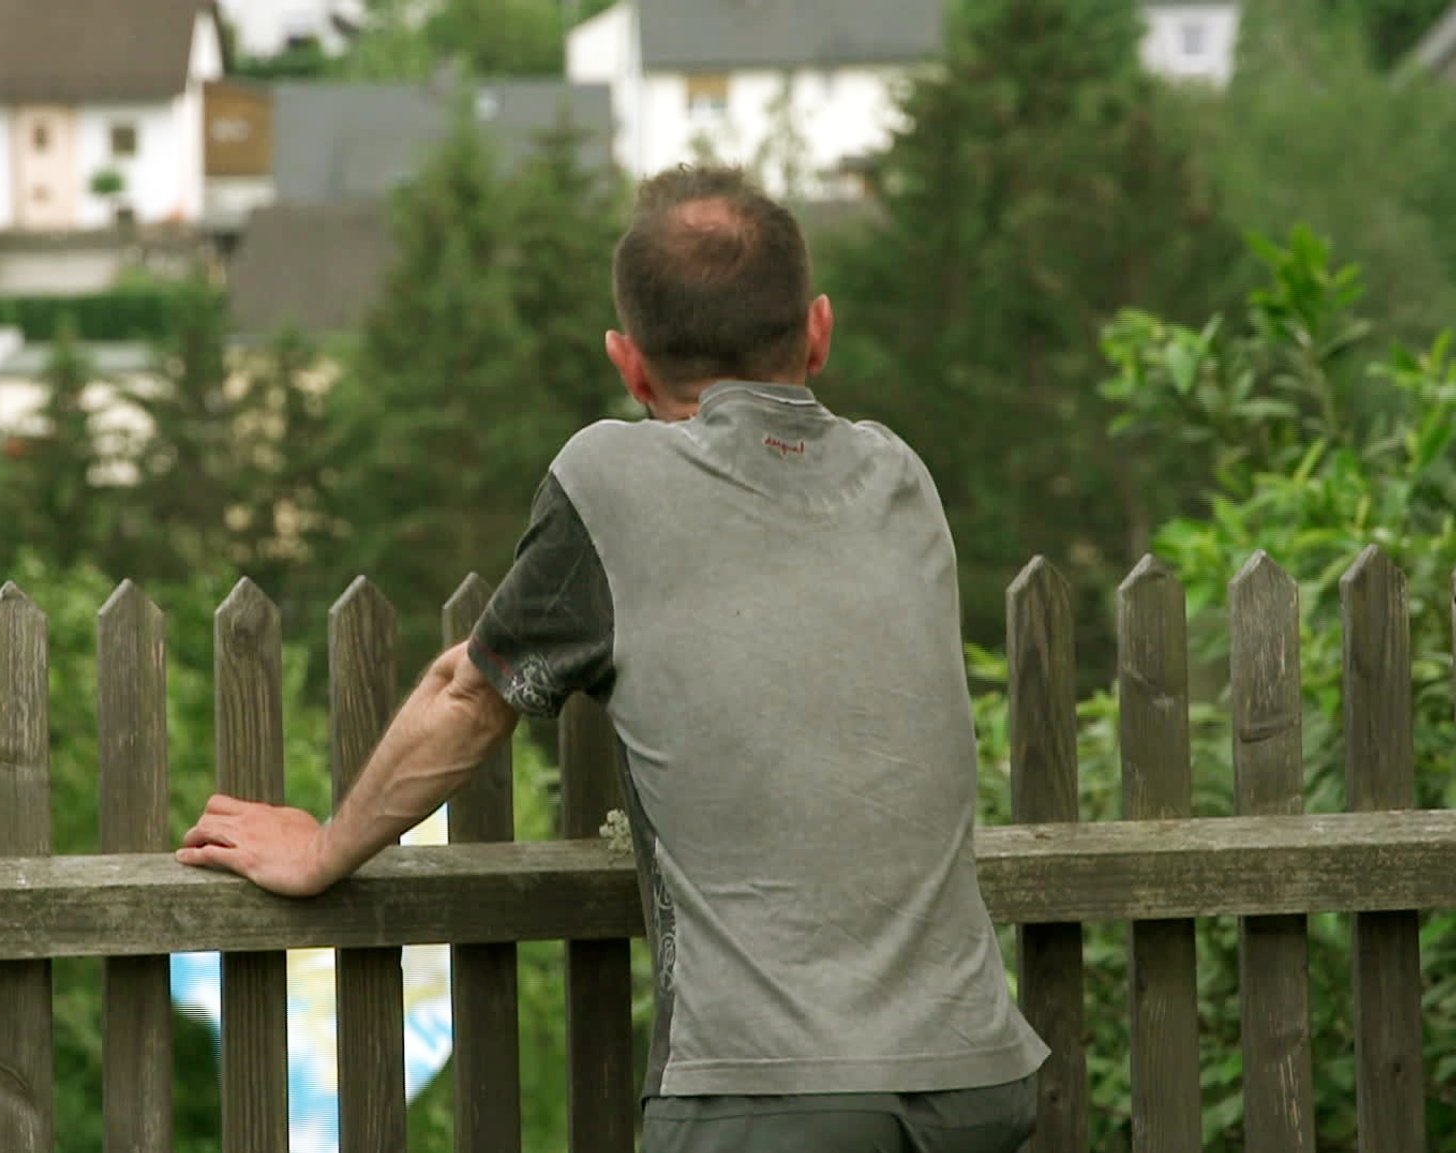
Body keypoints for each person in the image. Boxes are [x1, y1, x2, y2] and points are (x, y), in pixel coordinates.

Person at [178, 163, 1049, 1153]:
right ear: (816, 330)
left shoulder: (612, 478)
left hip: (771, 1098)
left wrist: (325, 847)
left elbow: (471, 693)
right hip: (979, 1079)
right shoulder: (899, 479)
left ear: (628, 366)